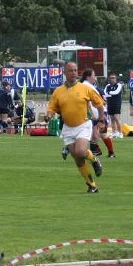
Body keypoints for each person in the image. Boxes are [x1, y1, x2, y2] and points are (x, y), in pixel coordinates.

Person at [46, 61, 106, 194]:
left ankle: (95, 160)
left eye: (75, 70)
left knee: (80, 151)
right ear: (64, 72)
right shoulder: (58, 91)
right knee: (78, 159)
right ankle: (92, 185)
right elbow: (52, 108)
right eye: (70, 70)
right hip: (68, 128)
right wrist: (49, 116)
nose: (73, 73)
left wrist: (101, 120)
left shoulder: (85, 88)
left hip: (83, 125)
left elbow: (99, 104)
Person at [102, 73, 124, 137]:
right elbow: (105, 93)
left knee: (117, 118)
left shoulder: (119, 85)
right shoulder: (108, 86)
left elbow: (116, 92)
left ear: (116, 79)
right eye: (111, 78)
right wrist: (110, 94)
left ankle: (120, 133)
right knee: (112, 119)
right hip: (110, 103)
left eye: (113, 78)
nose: (112, 79)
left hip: (116, 103)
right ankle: (114, 132)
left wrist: (109, 93)